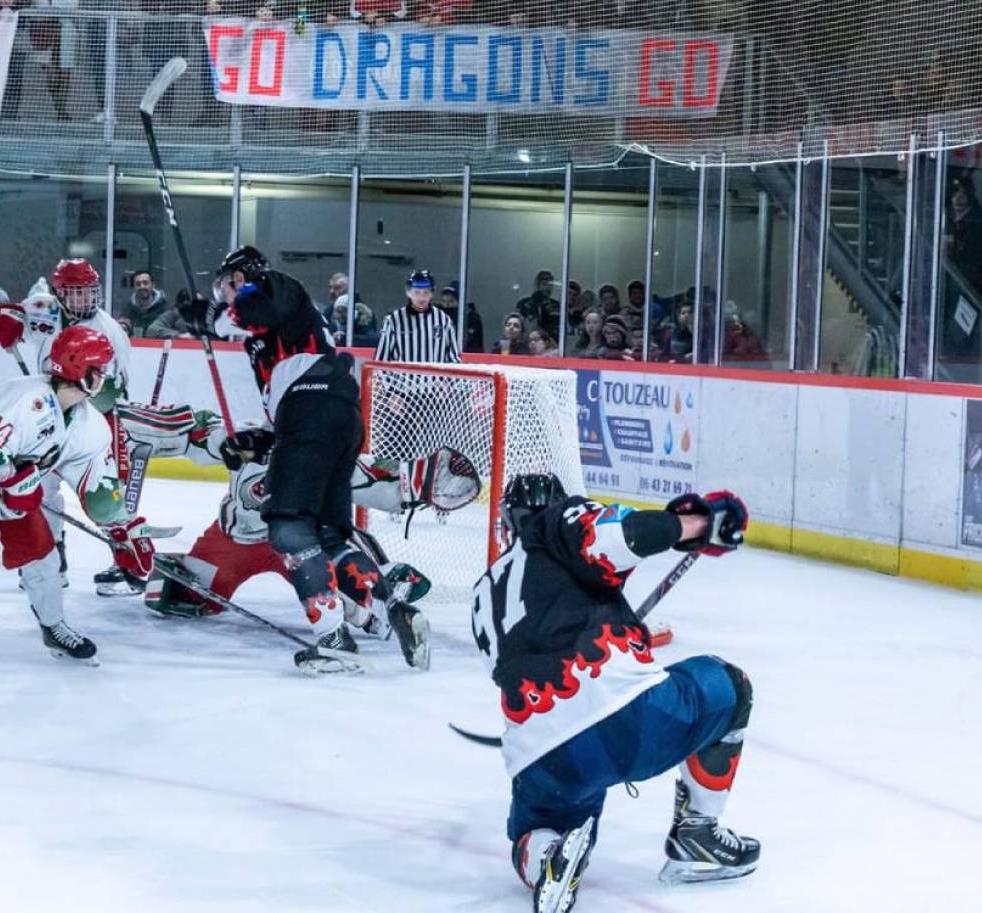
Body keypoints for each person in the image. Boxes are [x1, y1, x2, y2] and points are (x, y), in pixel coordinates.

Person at [472, 475, 758, 913]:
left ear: (507, 522)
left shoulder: (482, 594)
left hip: (538, 756)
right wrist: (700, 525)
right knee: (730, 687)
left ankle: (547, 858)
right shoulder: (559, 521)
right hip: (626, 718)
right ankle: (697, 833)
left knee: (532, 833)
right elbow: (623, 538)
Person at [178, 244, 429, 674]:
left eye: (227, 286)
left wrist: (210, 318)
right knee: (328, 534)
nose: (224, 295)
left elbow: (253, 310)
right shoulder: (279, 335)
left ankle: (334, 642)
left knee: (289, 525)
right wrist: (263, 438)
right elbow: (286, 389)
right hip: (334, 414)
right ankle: (393, 609)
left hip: (313, 407)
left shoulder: (276, 287)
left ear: (243, 277)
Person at [119, 399, 484, 674]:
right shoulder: (247, 439)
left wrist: (424, 477)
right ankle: (382, 598)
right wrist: (121, 420)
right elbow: (184, 429)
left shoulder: (313, 452)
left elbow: (388, 477)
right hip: (232, 544)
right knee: (169, 595)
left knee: (345, 583)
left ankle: (381, 596)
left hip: (290, 542)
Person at [0, 325, 158, 693]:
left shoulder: (89, 426)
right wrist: (12, 477)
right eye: (100, 369)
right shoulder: (25, 400)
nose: (105, 377)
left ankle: (54, 627)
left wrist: (122, 526)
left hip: (9, 488)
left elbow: (98, 492)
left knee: (43, 557)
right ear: (78, 369)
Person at [0, 258, 138, 594]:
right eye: (76, 292)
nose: (85, 299)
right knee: (44, 488)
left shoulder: (109, 331)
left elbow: (115, 393)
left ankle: (127, 563)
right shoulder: (43, 307)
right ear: (60, 293)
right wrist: (7, 319)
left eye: (90, 292)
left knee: (104, 493)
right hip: (48, 415)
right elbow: (13, 314)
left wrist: (90, 391)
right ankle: (53, 559)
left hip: (91, 419)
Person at [374, 269, 462, 363]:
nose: (421, 298)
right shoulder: (393, 321)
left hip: (434, 378)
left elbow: (453, 359)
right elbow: (381, 361)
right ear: (408, 292)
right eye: (417, 292)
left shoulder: (444, 320)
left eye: (426, 292)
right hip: (403, 377)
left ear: (432, 293)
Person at [116, 270, 170, 337]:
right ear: (134, 288)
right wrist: (122, 327)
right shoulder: (128, 309)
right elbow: (123, 323)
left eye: (145, 283)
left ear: (153, 285)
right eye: (138, 284)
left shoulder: (165, 308)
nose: (142, 287)